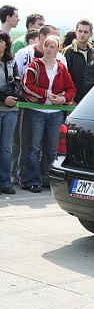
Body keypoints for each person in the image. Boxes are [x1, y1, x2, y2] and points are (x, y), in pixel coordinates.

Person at [22, 36, 76, 193]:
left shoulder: (61, 67)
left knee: (52, 148)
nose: (48, 49)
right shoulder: (34, 66)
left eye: (52, 46)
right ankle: (33, 180)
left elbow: (71, 88)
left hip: (55, 113)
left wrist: (63, 98)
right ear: (42, 47)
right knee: (34, 147)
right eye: (46, 46)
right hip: (37, 111)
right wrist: (45, 93)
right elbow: (26, 85)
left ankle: (48, 179)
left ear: (57, 49)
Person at [0, 31, 20, 194]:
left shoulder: (11, 62)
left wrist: (14, 96)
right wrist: (3, 98)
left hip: (11, 110)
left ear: (6, 44)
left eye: (1, 41)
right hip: (1, 106)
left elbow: (18, 82)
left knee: (6, 147)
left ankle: (5, 181)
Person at [61, 19, 94, 102]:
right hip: (72, 99)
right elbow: (62, 77)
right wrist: (69, 99)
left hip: (90, 98)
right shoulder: (68, 51)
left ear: (91, 34)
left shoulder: (93, 51)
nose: (82, 34)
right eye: (80, 31)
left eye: (86, 32)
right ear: (76, 32)